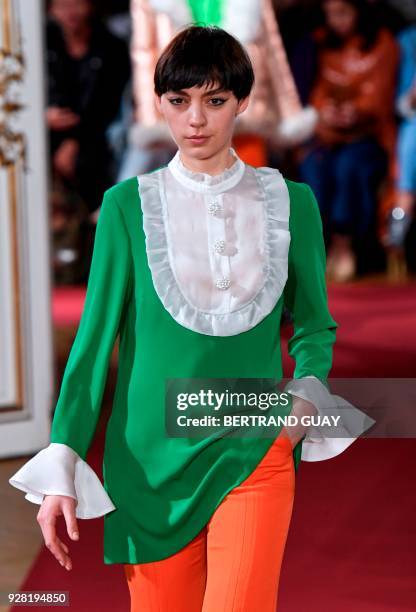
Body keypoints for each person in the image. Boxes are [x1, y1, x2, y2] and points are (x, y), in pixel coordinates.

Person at [9, 25, 372, 611]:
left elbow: (313, 323)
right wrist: (64, 460)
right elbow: (93, 345)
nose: (195, 120)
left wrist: (305, 395)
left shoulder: (291, 202)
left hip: (254, 444)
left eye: (214, 100)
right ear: (160, 105)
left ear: (243, 102)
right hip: (149, 465)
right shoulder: (127, 206)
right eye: (179, 102)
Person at [298, 0, 399, 282]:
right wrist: (325, 109)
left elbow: (381, 95)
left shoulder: (382, 43)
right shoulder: (321, 43)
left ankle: (345, 244)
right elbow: (314, 90)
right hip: (328, 135)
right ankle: (319, 245)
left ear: (359, 11)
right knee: (312, 166)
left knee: (349, 166)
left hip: (369, 135)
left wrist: (357, 110)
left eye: (342, 13)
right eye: (330, 14)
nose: (335, 21)